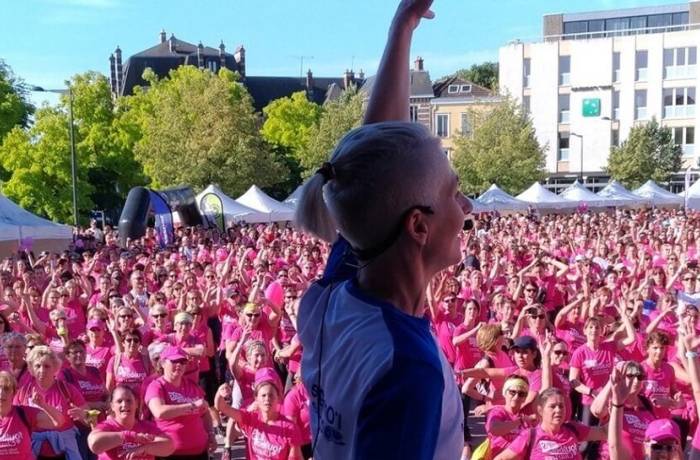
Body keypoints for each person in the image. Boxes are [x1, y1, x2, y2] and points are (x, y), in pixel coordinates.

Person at [295, 0, 468, 458]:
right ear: (418, 226)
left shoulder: (338, 292)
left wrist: (403, 26)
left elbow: (372, 166)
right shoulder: (407, 371)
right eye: (454, 193)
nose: (466, 205)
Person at [493, 388, 607, 460]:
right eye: (552, 406)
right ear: (540, 410)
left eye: (561, 406)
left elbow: (604, 432)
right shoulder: (530, 436)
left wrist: (617, 405)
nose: (558, 410)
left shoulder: (573, 429)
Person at [214, 367, 303, 460]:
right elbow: (222, 407)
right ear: (256, 398)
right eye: (263, 395)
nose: (267, 399)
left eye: (271, 395)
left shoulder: (290, 427)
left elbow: (295, 457)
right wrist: (220, 394)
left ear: (278, 397)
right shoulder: (250, 418)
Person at [144, 345, 215, 459]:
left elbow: (205, 413)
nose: (179, 365)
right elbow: (159, 411)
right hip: (170, 454)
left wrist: (211, 434)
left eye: (182, 362)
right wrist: (191, 406)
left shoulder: (192, 386)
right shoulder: (156, 386)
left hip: (199, 452)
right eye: (174, 361)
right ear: (162, 363)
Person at [607, 362, 684, 460]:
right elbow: (614, 447)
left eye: (670, 448)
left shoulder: (646, 404)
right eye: (657, 447)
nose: (663, 454)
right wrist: (617, 404)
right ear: (645, 446)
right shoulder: (617, 404)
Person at [87, 385, 174, 460]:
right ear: (112, 406)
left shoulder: (146, 426)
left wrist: (143, 449)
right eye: (119, 401)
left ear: (136, 404)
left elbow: (169, 446)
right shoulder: (107, 426)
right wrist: (130, 436)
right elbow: (94, 444)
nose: (124, 404)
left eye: (129, 400)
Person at [0, 370, 65, 459]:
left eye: (6, 389)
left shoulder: (23, 413)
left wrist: (43, 404)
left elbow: (58, 421)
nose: (1, 393)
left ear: (14, 392)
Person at [483, 375, 537, 458]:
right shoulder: (498, 411)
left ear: (525, 397)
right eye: (512, 392)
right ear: (505, 393)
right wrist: (520, 421)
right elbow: (494, 429)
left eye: (521, 394)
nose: (516, 397)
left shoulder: (526, 417)